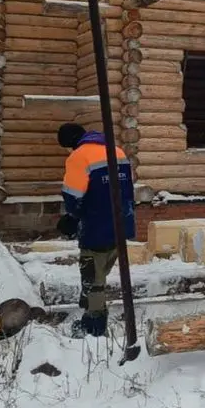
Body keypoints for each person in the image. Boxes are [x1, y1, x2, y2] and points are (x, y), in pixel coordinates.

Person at [56, 122, 136, 337]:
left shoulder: (78, 157)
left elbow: (73, 196)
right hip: (121, 223)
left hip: (95, 225)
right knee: (104, 266)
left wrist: (71, 218)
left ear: (70, 142)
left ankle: (94, 323)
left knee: (92, 275)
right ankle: (90, 301)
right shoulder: (117, 151)